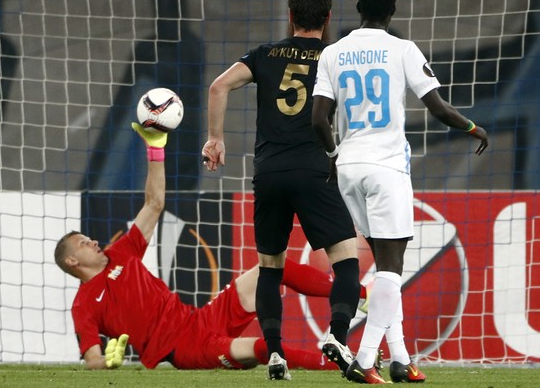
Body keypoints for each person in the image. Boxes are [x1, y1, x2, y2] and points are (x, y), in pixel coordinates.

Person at [54, 122, 365, 373]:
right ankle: (332, 365)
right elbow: (92, 358)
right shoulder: (84, 305)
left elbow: (154, 204)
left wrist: (155, 149)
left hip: (199, 319)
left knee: (270, 268)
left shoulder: (119, 254)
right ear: (71, 261)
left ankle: (361, 295)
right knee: (261, 348)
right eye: (83, 243)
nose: (93, 241)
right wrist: (107, 361)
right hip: (185, 349)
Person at [311, 0, 489, 384]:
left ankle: (400, 357)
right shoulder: (402, 49)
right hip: (386, 166)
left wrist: (337, 155)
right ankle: (366, 358)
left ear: (357, 7)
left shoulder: (333, 53)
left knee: (387, 265)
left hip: (348, 168)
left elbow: (318, 119)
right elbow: (439, 109)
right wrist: (472, 128)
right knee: (392, 268)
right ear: (392, 10)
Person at [201, 0, 364, 380]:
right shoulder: (335, 57)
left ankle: (275, 356)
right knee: (347, 263)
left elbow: (218, 85)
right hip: (315, 169)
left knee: (270, 269)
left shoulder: (265, 55)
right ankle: (337, 336)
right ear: (327, 20)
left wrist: (215, 138)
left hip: (270, 172)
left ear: (291, 17)